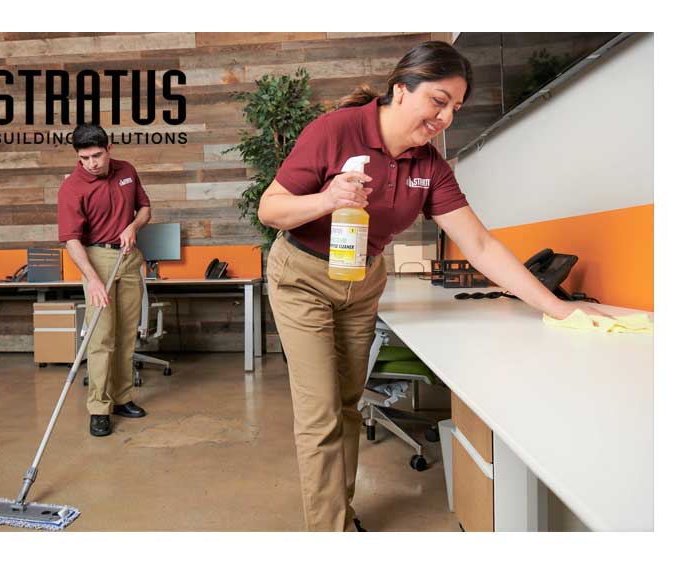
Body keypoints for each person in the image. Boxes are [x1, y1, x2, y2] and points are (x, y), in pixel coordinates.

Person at [258, 41, 605, 532]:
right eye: (438, 101)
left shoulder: (430, 167)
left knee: (347, 403)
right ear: (401, 90)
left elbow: (480, 245)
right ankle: (329, 532)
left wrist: (557, 308)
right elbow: (269, 209)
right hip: (302, 276)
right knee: (320, 414)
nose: (445, 118)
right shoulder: (335, 131)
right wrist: (326, 198)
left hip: (363, 279)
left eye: (455, 109)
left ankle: (341, 507)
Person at [58, 123, 152, 437]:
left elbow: (145, 208)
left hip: (128, 257)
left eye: (97, 155)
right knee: (101, 340)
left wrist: (133, 226)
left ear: (109, 148)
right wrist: (93, 280)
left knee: (127, 335)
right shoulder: (72, 187)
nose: (92, 163)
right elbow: (72, 241)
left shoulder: (126, 170)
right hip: (96, 260)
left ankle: (122, 398)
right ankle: (99, 408)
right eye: (84, 158)